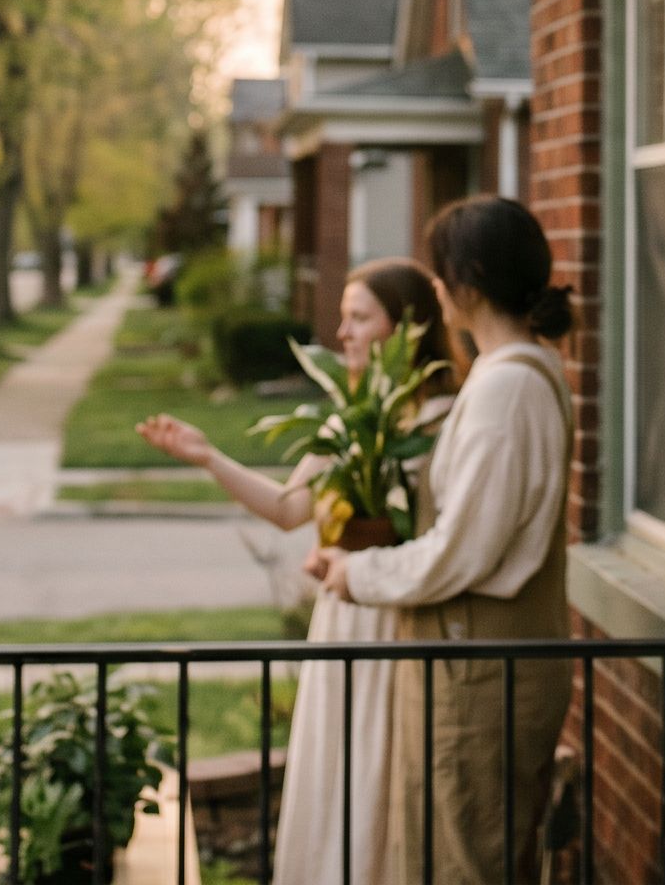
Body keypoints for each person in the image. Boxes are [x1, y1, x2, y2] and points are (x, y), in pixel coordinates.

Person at [137, 258, 458, 885]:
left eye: (360, 318)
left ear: (407, 329)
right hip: (342, 621)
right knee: (337, 769)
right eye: (343, 318)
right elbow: (290, 510)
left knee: (381, 770)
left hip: (398, 626)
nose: (343, 334)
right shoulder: (348, 419)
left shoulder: (441, 422)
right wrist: (208, 457)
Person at [306, 198, 578, 885]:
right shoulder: (508, 377)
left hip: (479, 671)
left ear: (471, 279)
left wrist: (356, 573)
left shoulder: (508, 389)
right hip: (471, 664)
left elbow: (462, 550)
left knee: (464, 864)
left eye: (439, 272)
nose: (432, 288)